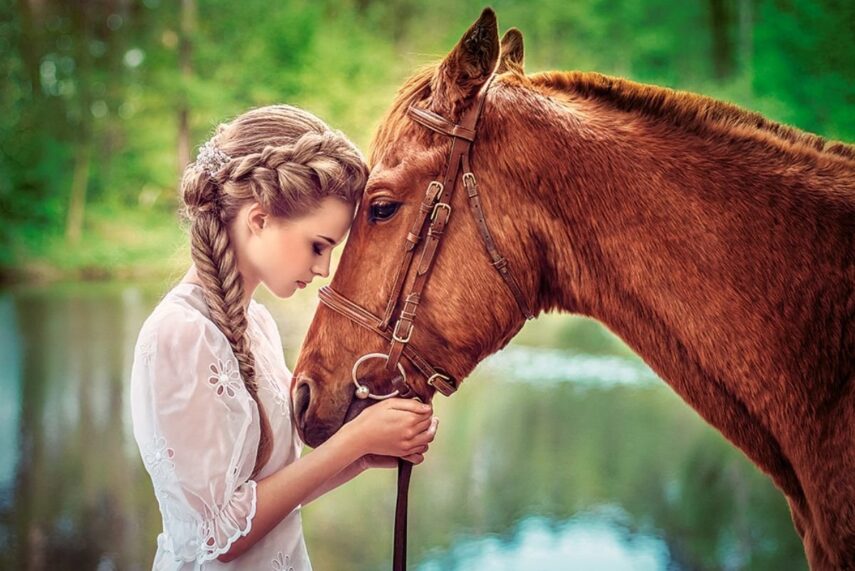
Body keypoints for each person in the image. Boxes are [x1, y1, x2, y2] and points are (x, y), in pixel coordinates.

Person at [130, 105, 438, 569]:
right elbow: (219, 535)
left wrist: (364, 454)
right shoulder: (181, 333)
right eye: (319, 245)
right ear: (260, 219)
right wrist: (351, 442)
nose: (323, 269)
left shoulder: (258, 325)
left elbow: (267, 498)